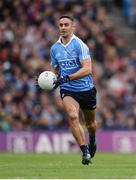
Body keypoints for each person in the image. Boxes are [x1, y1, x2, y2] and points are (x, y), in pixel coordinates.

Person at [50, 15, 97, 165]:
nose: (63, 27)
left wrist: (67, 77)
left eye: (66, 24)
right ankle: (85, 152)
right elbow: (54, 70)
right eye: (61, 25)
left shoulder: (80, 45)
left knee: (90, 124)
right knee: (72, 116)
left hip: (86, 89)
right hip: (68, 90)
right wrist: (49, 80)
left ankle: (93, 140)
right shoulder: (54, 48)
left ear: (73, 27)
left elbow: (88, 69)